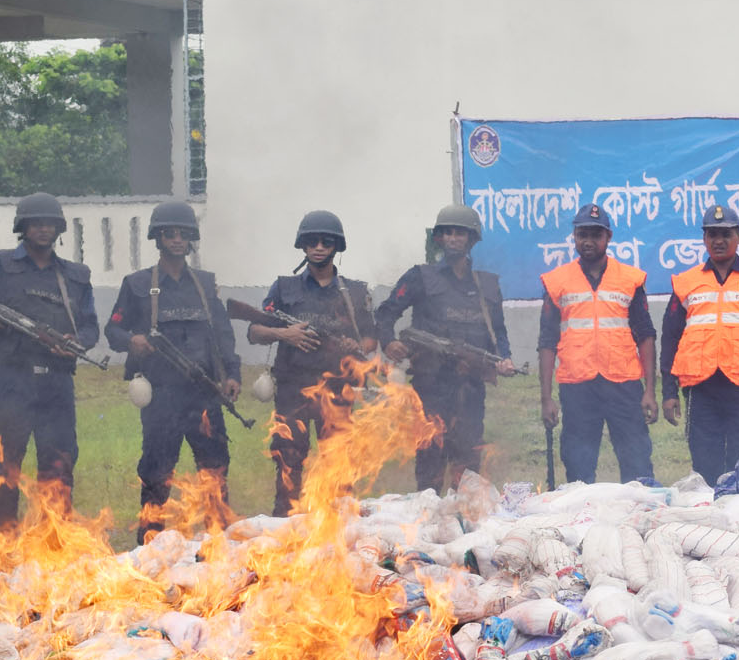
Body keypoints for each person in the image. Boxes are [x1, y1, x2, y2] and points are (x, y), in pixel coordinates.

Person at [0, 191, 99, 529]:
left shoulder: (75, 275)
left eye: (49, 224)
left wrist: (75, 342)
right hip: (12, 381)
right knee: (4, 465)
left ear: (59, 229)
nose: (43, 229)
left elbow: (90, 327)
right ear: (22, 227)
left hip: (56, 383)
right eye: (35, 223)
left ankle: (53, 542)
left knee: (58, 465)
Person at [104, 201, 241, 544]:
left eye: (183, 234)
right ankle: (150, 542)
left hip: (204, 392)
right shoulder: (137, 284)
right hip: (161, 396)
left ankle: (219, 542)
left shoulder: (205, 284)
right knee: (157, 471)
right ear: (158, 238)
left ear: (192, 238)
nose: (177, 240)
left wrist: (233, 374)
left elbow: (223, 334)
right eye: (170, 234)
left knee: (214, 470)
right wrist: (132, 340)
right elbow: (113, 331)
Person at [377, 203, 516, 493]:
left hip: (470, 389)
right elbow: (386, 312)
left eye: (460, 234)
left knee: (467, 464)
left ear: (471, 239)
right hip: (430, 387)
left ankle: (463, 524)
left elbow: (498, 331)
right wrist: (389, 342)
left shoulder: (486, 286)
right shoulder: (420, 276)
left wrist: (504, 358)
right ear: (439, 238)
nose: (453, 239)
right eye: (447, 233)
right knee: (430, 460)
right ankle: (427, 525)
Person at [246, 210, 376, 516]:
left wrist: (354, 346)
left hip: (337, 389)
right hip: (294, 389)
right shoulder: (283, 289)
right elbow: (254, 331)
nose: (318, 247)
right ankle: (283, 533)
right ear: (303, 246)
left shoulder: (354, 292)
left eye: (325, 241)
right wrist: (285, 334)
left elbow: (371, 338)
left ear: (336, 246)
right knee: (288, 463)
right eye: (312, 241)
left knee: (339, 466)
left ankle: (340, 532)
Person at [659, 204, 739, 484]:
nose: (718, 240)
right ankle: (711, 520)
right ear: (704, 239)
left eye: (725, 234)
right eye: (712, 234)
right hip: (701, 389)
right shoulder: (686, 282)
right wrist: (669, 391)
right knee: (705, 464)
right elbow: (670, 339)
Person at [537, 202, 658, 483]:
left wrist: (650, 390)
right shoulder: (557, 282)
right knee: (578, 469)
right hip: (577, 387)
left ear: (608, 237)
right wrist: (546, 398)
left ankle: (639, 520)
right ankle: (582, 523)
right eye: (582, 235)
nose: (588, 241)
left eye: (595, 235)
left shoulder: (630, 279)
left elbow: (646, 335)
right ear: (574, 237)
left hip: (624, 384)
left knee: (637, 464)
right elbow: (546, 341)